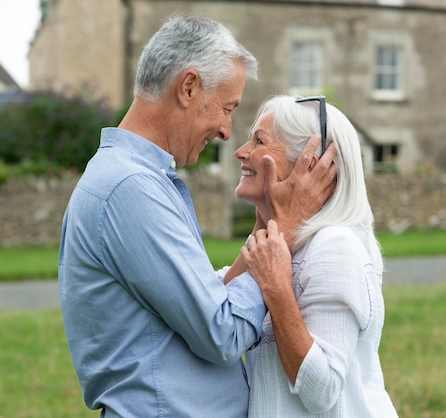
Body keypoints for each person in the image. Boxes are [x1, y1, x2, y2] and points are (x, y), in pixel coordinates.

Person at [58, 16, 336, 417]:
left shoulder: (136, 179)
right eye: (226, 108)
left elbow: (205, 302)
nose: (227, 131)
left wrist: (269, 223)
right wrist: (288, 227)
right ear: (188, 88)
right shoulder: (129, 188)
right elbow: (222, 330)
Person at [234, 95, 399, 417]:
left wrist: (276, 289)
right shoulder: (287, 244)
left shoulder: (333, 246)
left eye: (259, 141)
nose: (242, 151)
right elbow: (216, 312)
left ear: (308, 163)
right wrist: (270, 225)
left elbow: (322, 390)